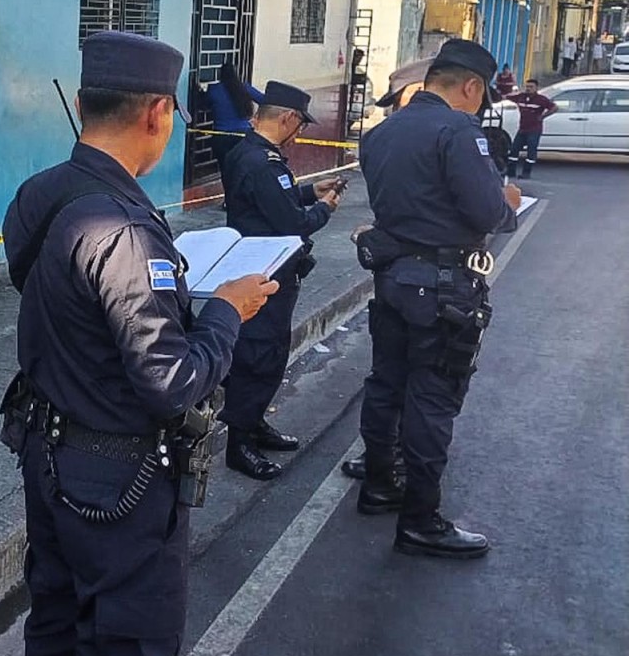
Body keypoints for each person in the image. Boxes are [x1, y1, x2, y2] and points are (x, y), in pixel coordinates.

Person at [2, 30, 279, 656]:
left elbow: (52, 294)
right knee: (126, 651)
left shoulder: (39, 194)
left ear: (81, 100)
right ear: (157, 113)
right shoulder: (124, 227)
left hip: (47, 451)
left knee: (56, 626)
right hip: (115, 479)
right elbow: (172, 383)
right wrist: (224, 312)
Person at [355, 38, 521, 559]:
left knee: (386, 384)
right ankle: (421, 520)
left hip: (392, 280)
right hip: (443, 287)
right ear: (471, 87)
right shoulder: (457, 130)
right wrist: (506, 202)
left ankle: (380, 483)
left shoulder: (380, 134)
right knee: (432, 399)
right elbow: (484, 212)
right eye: (482, 95)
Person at [219, 81, 342, 479]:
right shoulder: (262, 162)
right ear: (287, 118)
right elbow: (290, 222)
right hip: (264, 272)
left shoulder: (254, 154)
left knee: (268, 354)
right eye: (299, 125)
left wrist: (308, 191)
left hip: (268, 271)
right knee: (257, 357)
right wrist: (323, 208)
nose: (300, 132)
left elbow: (273, 202)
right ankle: (239, 443)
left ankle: (253, 423)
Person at [340, 56, 434, 481]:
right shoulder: (444, 136)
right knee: (426, 383)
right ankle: (402, 469)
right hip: (431, 280)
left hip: (390, 271)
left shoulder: (377, 139)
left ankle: (378, 462)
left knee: (386, 376)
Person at [202, 60, 265, 173]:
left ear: (220, 75)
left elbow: (203, 104)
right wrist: (257, 120)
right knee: (242, 172)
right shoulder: (243, 88)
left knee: (226, 172)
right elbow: (264, 100)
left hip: (222, 137)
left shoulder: (214, 90)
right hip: (243, 136)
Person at [505, 79, 558, 180]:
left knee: (531, 152)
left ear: (536, 88)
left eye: (531, 87)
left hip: (534, 130)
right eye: (527, 87)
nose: (528, 89)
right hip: (522, 129)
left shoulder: (541, 99)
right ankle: (510, 171)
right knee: (514, 150)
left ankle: (526, 173)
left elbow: (554, 107)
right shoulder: (521, 97)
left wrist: (542, 116)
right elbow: (507, 97)